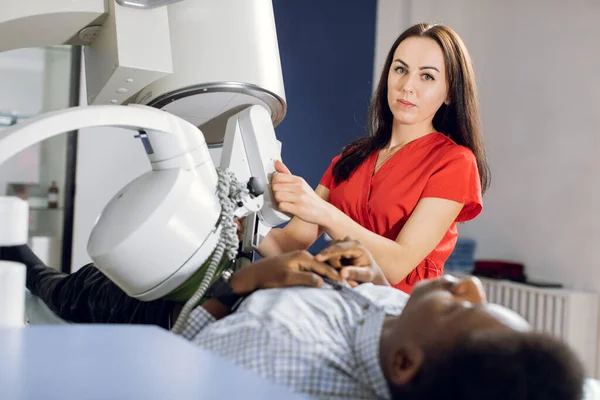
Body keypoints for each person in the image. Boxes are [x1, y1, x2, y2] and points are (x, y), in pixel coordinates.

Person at [12, 238, 584, 400]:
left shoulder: (271, 359)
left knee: (74, 289)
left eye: (459, 307)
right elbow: (406, 317)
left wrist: (245, 283)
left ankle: (26, 264)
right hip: (286, 274)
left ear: (406, 364)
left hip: (202, 302)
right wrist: (374, 281)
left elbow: (180, 355)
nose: (469, 283)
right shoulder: (411, 342)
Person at [258, 22, 490, 293]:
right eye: (400, 69)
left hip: (401, 318)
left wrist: (322, 210)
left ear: (450, 92)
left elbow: (396, 265)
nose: (407, 86)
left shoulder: (455, 162)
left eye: (427, 76)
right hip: (339, 303)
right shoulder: (351, 158)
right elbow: (286, 245)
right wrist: (240, 221)